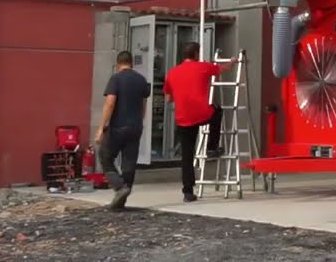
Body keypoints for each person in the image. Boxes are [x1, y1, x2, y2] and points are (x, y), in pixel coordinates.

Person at [164, 42, 235, 202]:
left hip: (183, 117)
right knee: (217, 112)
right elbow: (223, 69)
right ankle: (212, 147)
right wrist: (232, 60)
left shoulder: (172, 73)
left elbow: (168, 98)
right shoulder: (202, 66)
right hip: (202, 113)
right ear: (196, 54)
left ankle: (188, 192)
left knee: (187, 157)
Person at [94, 50, 151, 210]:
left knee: (105, 156)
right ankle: (121, 201)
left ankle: (120, 187)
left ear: (118, 64)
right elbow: (143, 104)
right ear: (131, 63)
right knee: (129, 162)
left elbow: (110, 103)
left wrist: (101, 127)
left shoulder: (116, 79)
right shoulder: (141, 80)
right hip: (135, 126)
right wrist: (140, 121)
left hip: (118, 126)